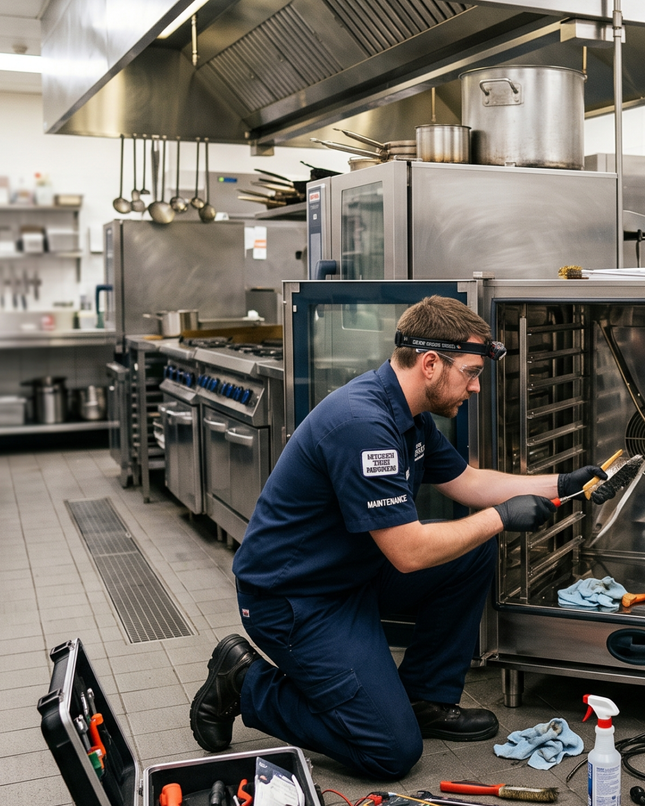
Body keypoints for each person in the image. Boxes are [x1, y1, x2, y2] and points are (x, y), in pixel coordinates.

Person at [190, 296, 612, 780]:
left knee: (471, 552)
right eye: (471, 373)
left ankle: (423, 699)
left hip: (353, 575)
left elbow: (468, 483)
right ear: (430, 363)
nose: (476, 386)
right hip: (295, 601)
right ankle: (244, 682)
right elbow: (409, 553)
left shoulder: (409, 415)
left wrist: (564, 484)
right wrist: (500, 517)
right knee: (390, 751)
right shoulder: (362, 425)